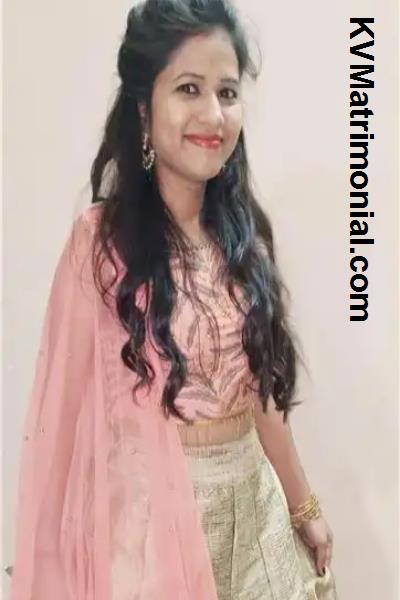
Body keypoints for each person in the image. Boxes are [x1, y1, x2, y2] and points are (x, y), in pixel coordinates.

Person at [9, 0, 338, 598]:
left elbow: (260, 394)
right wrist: (52, 559)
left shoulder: (243, 242)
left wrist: (302, 504)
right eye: (189, 88)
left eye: (227, 92)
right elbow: (65, 417)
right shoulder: (101, 245)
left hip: (256, 523)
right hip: (152, 537)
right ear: (145, 107)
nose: (213, 114)